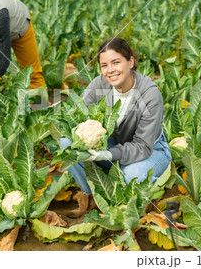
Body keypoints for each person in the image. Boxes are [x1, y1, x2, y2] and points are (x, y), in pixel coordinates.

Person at [61, 37, 172, 217]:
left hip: (150, 151)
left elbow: (143, 146)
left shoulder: (150, 94)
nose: (110, 70)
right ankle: (91, 196)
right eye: (104, 65)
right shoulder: (100, 84)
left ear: (130, 62)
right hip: (113, 145)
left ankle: (141, 199)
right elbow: (77, 112)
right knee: (67, 143)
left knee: (132, 175)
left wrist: (107, 155)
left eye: (116, 62)